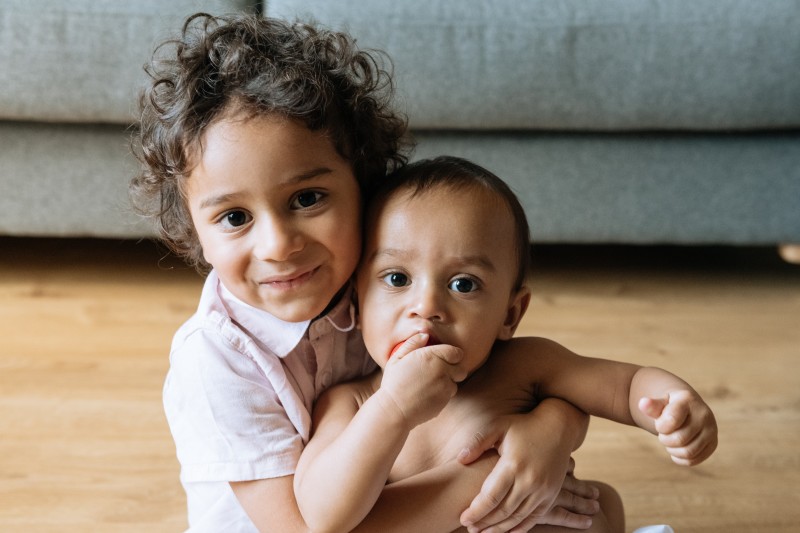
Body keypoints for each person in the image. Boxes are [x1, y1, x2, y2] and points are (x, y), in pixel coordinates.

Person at [130, 13, 602, 532]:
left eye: (307, 199)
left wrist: (549, 434)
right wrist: (491, 481)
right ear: (195, 231)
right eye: (235, 218)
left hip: (404, 510)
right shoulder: (213, 362)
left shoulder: (387, 286)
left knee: (601, 509)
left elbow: (519, 374)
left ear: (365, 187)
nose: (279, 245)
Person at [294, 156, 719, 533]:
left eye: (463, 284)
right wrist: (392, 409)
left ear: (510, 314)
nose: (426, 306)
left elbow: (625, 387)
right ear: (358, 297)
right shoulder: (350, 402)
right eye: (397, 278)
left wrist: (674, 404)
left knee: (601, 503)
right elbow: (323, 516)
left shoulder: (526, 364)